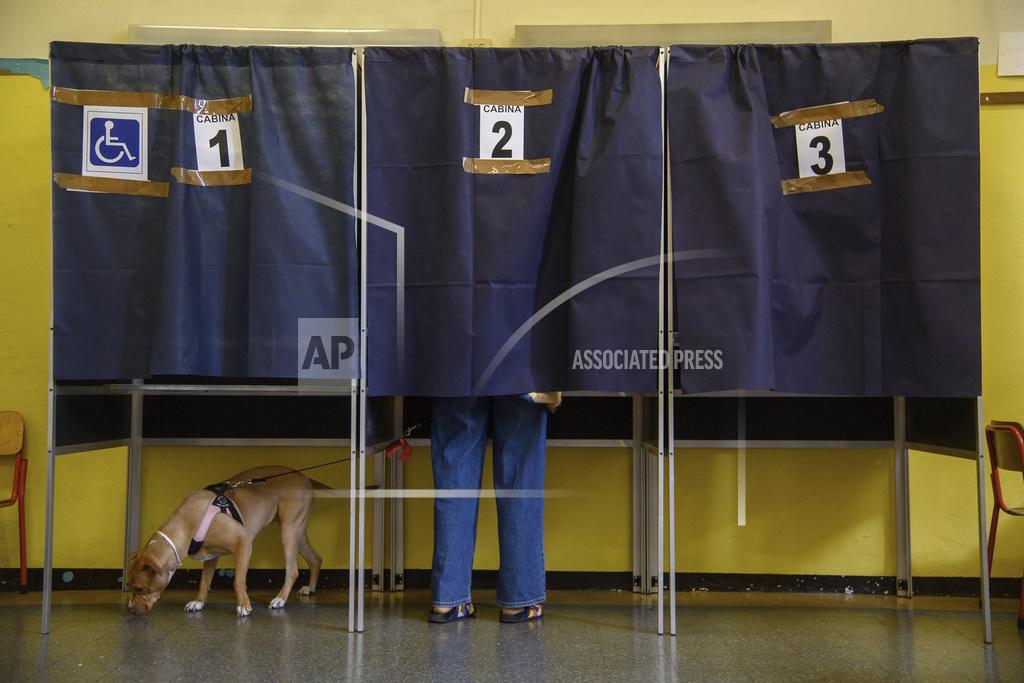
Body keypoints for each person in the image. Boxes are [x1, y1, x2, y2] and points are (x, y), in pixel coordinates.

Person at [427, 392, 560, 624]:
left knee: (455, 471)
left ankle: (448, 600)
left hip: (455, 367)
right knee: (521, 476)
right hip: (520, 367)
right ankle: (520, 601)